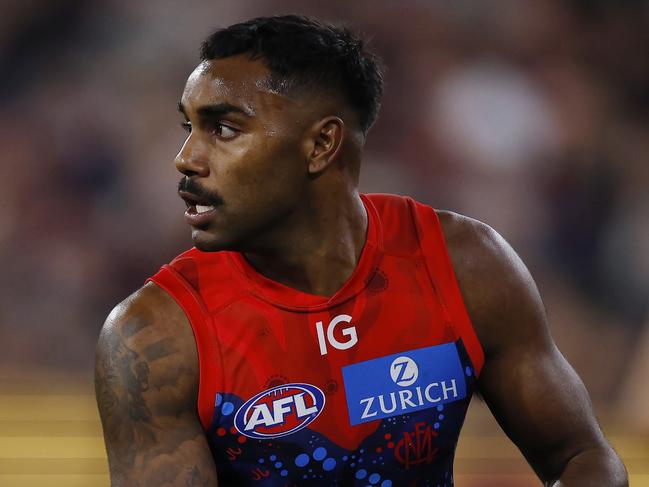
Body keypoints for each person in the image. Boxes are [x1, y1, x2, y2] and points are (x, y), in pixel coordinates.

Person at [95, 15, 627, 487]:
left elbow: (583, 457)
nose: (185, 159)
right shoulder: (152, 337)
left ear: (322, 144)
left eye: (224, 129)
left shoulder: (464, 264)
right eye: (190, 128)